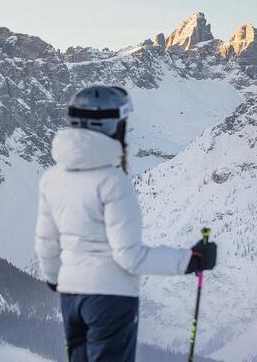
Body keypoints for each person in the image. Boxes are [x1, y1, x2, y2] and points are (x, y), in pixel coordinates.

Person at [35, 85, 217, 362]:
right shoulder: (113, 181)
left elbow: (46, 244)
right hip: (110, 298)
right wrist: (191, 260)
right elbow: (130, 257)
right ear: (112, 127)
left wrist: (55, 278)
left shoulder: (52, 179)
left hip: (71, 296)